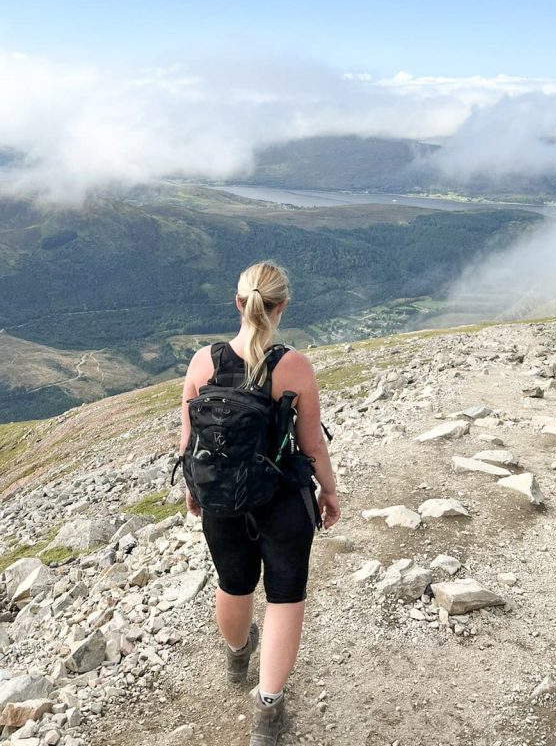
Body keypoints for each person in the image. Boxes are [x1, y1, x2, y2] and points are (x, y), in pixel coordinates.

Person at [179, 259, 340, 746]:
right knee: (285, 597)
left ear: (238, 303)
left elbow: (189, 441)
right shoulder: (293, 366)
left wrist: (194, 491)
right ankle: (267, 711)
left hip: (221, 499)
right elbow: (311, 445)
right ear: (282, 306)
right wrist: (329, 492)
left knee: (233, 583)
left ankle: (236, 657)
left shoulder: (202, 362)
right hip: (280, 499)